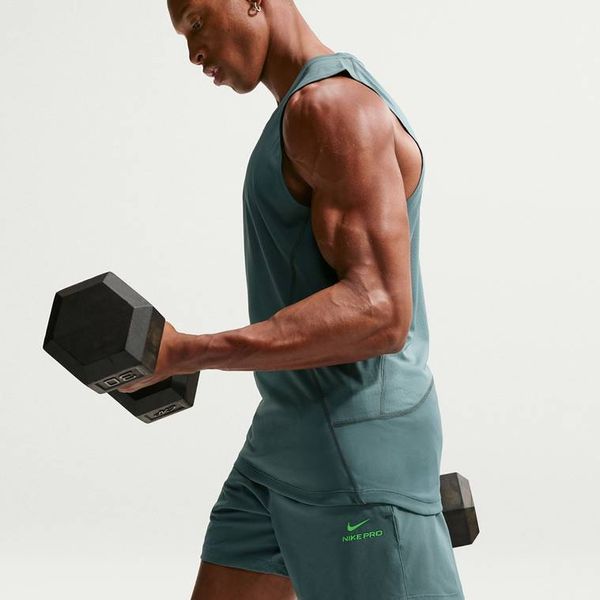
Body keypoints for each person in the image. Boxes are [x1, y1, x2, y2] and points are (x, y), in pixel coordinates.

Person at [118, 1, 466, 598]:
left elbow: (380, 310)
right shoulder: (300, 112)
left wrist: (186, 352)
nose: (192, 52)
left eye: (198, 22)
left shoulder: (333, 108)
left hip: (355, 452)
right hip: (284, 439)